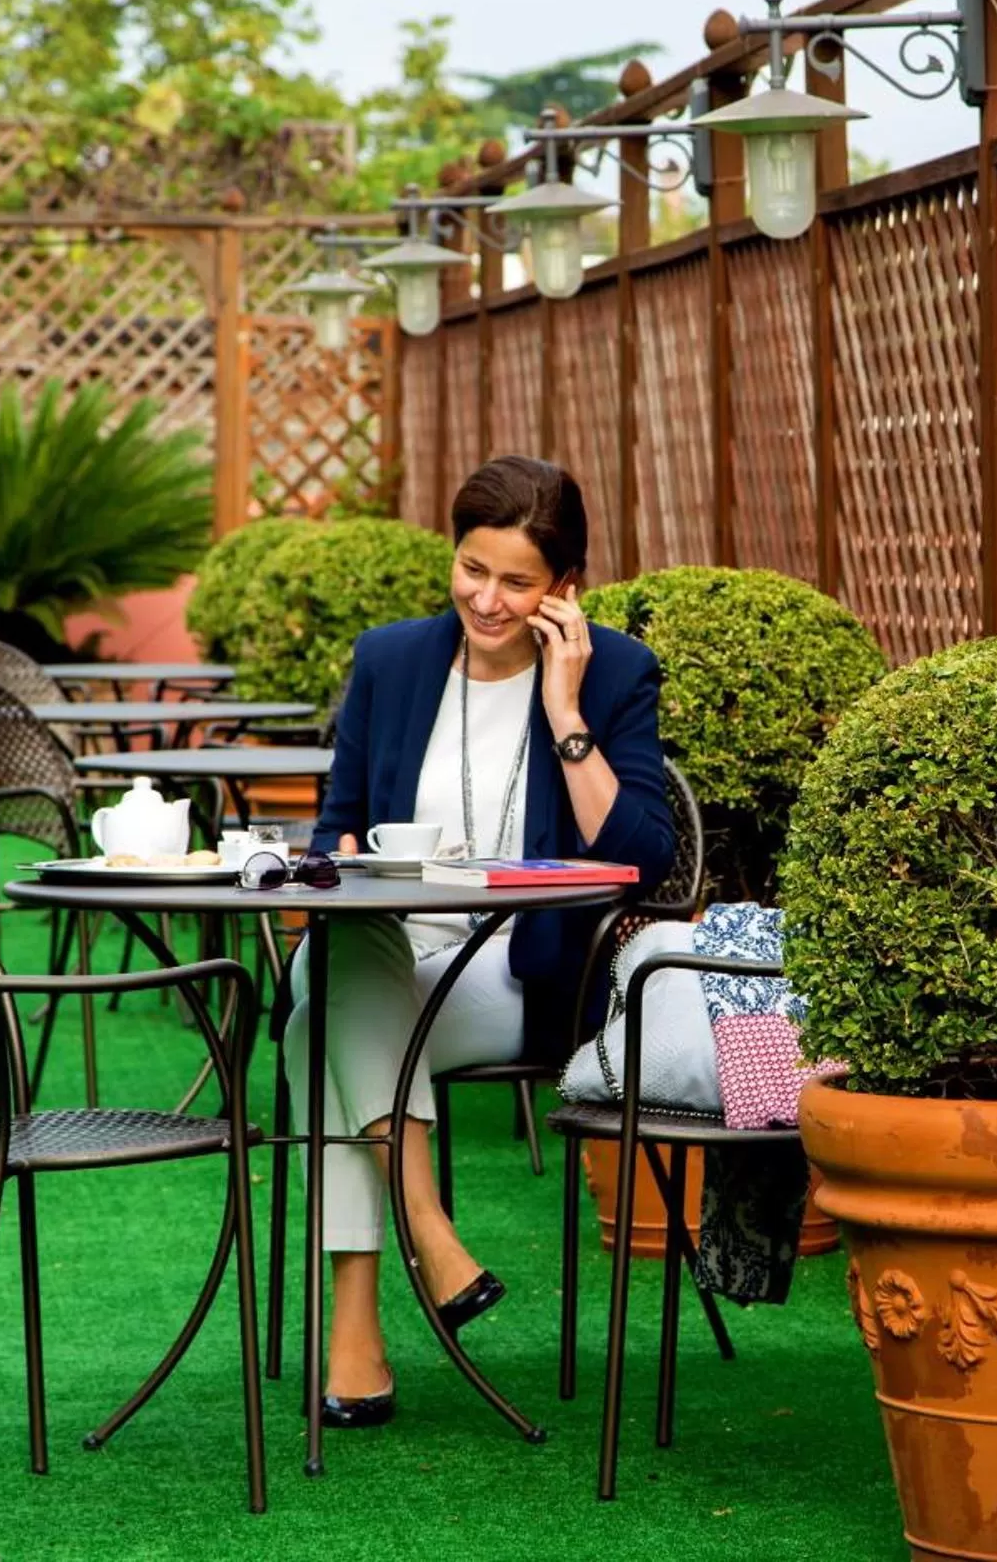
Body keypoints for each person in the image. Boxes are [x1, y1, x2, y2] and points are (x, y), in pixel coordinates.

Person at [282, 455, 677, 1427]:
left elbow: (642, 857)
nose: (487, 600)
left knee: (313, 1022)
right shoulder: (391, 660)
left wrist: (566, 715)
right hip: (388, 950)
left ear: (565, 588)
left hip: (524, 973)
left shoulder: (615, 672)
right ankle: (427, 1230)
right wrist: (335, 861)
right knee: (336, 967)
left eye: (516, 581)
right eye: (471, 569)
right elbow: (336, 826)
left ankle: (361, 1321)